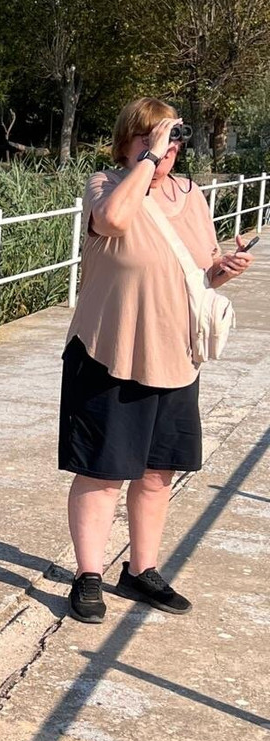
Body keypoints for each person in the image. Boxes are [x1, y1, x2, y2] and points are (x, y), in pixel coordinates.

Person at [61, 97, 252, 624]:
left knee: (156, 474)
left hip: (175, 354)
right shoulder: (105, 186)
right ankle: (88, 575)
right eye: (148, 138)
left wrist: (223, 270)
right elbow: (114, 221)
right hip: (109, 350)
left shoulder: (192, 197)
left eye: (170, 139)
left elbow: (198, 273)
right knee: (101, 473)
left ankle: (141, 570)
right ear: (127, 143)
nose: (164, 148)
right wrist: (145, 163)